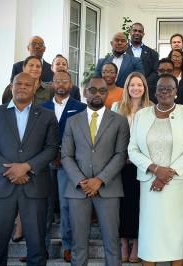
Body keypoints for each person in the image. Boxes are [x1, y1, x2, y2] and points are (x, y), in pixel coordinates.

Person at [0, 72, 59, 265]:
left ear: (34, 88)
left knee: (37, 246)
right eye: (18, 83)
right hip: (0, 186)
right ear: (11, 86)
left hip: (35, 187)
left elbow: (52, 148)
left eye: (27, 84)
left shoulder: (47, 115)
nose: (22, 87)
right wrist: (10, 171)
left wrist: (27, 167)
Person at [128, 74, 183, 265]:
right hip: (149, 182)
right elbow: (132, 149)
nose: (164, 92)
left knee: (176, 232)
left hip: (177, 184)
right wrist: (155, 169)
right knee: (151, 231)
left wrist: (167, 174)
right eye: (160, 88)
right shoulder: (142, 115)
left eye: (169, 88)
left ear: (176, 92)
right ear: (155, 91)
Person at [61, 77, 130, 266]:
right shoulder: (72, 121)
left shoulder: (120, 121)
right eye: (92, 90)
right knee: (79, 244)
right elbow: (66, 155)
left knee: (112, 242)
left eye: (101, 90)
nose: (97, 94)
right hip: (78, 189)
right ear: (85, 93)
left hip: (109, 189)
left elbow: (120, 154)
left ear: (107, 94)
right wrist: (82, 180)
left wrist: (99, 180)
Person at [40, 70, 87, 263]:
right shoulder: (42, 107)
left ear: (71, 85)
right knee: (43, 207)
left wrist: (64, 155)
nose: (60, 84)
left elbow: (83, 137)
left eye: (65, 81)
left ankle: (69, 247)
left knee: (67, 207)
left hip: (69, 164)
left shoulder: (81, 107)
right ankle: (40, 248)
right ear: (52, 84)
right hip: (44, 164)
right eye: (57, 81)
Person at [111, 72, 153, 263]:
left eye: (140, 85)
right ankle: (123, 243)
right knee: (121, 204)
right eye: (132, 85)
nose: (136, 88)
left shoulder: (152, 108)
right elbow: (111, 135)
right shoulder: (116, 107)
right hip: (120, 164)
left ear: (145, 88)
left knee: (138, 204)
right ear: (127, 87)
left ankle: (136, 242)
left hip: (142, 165)